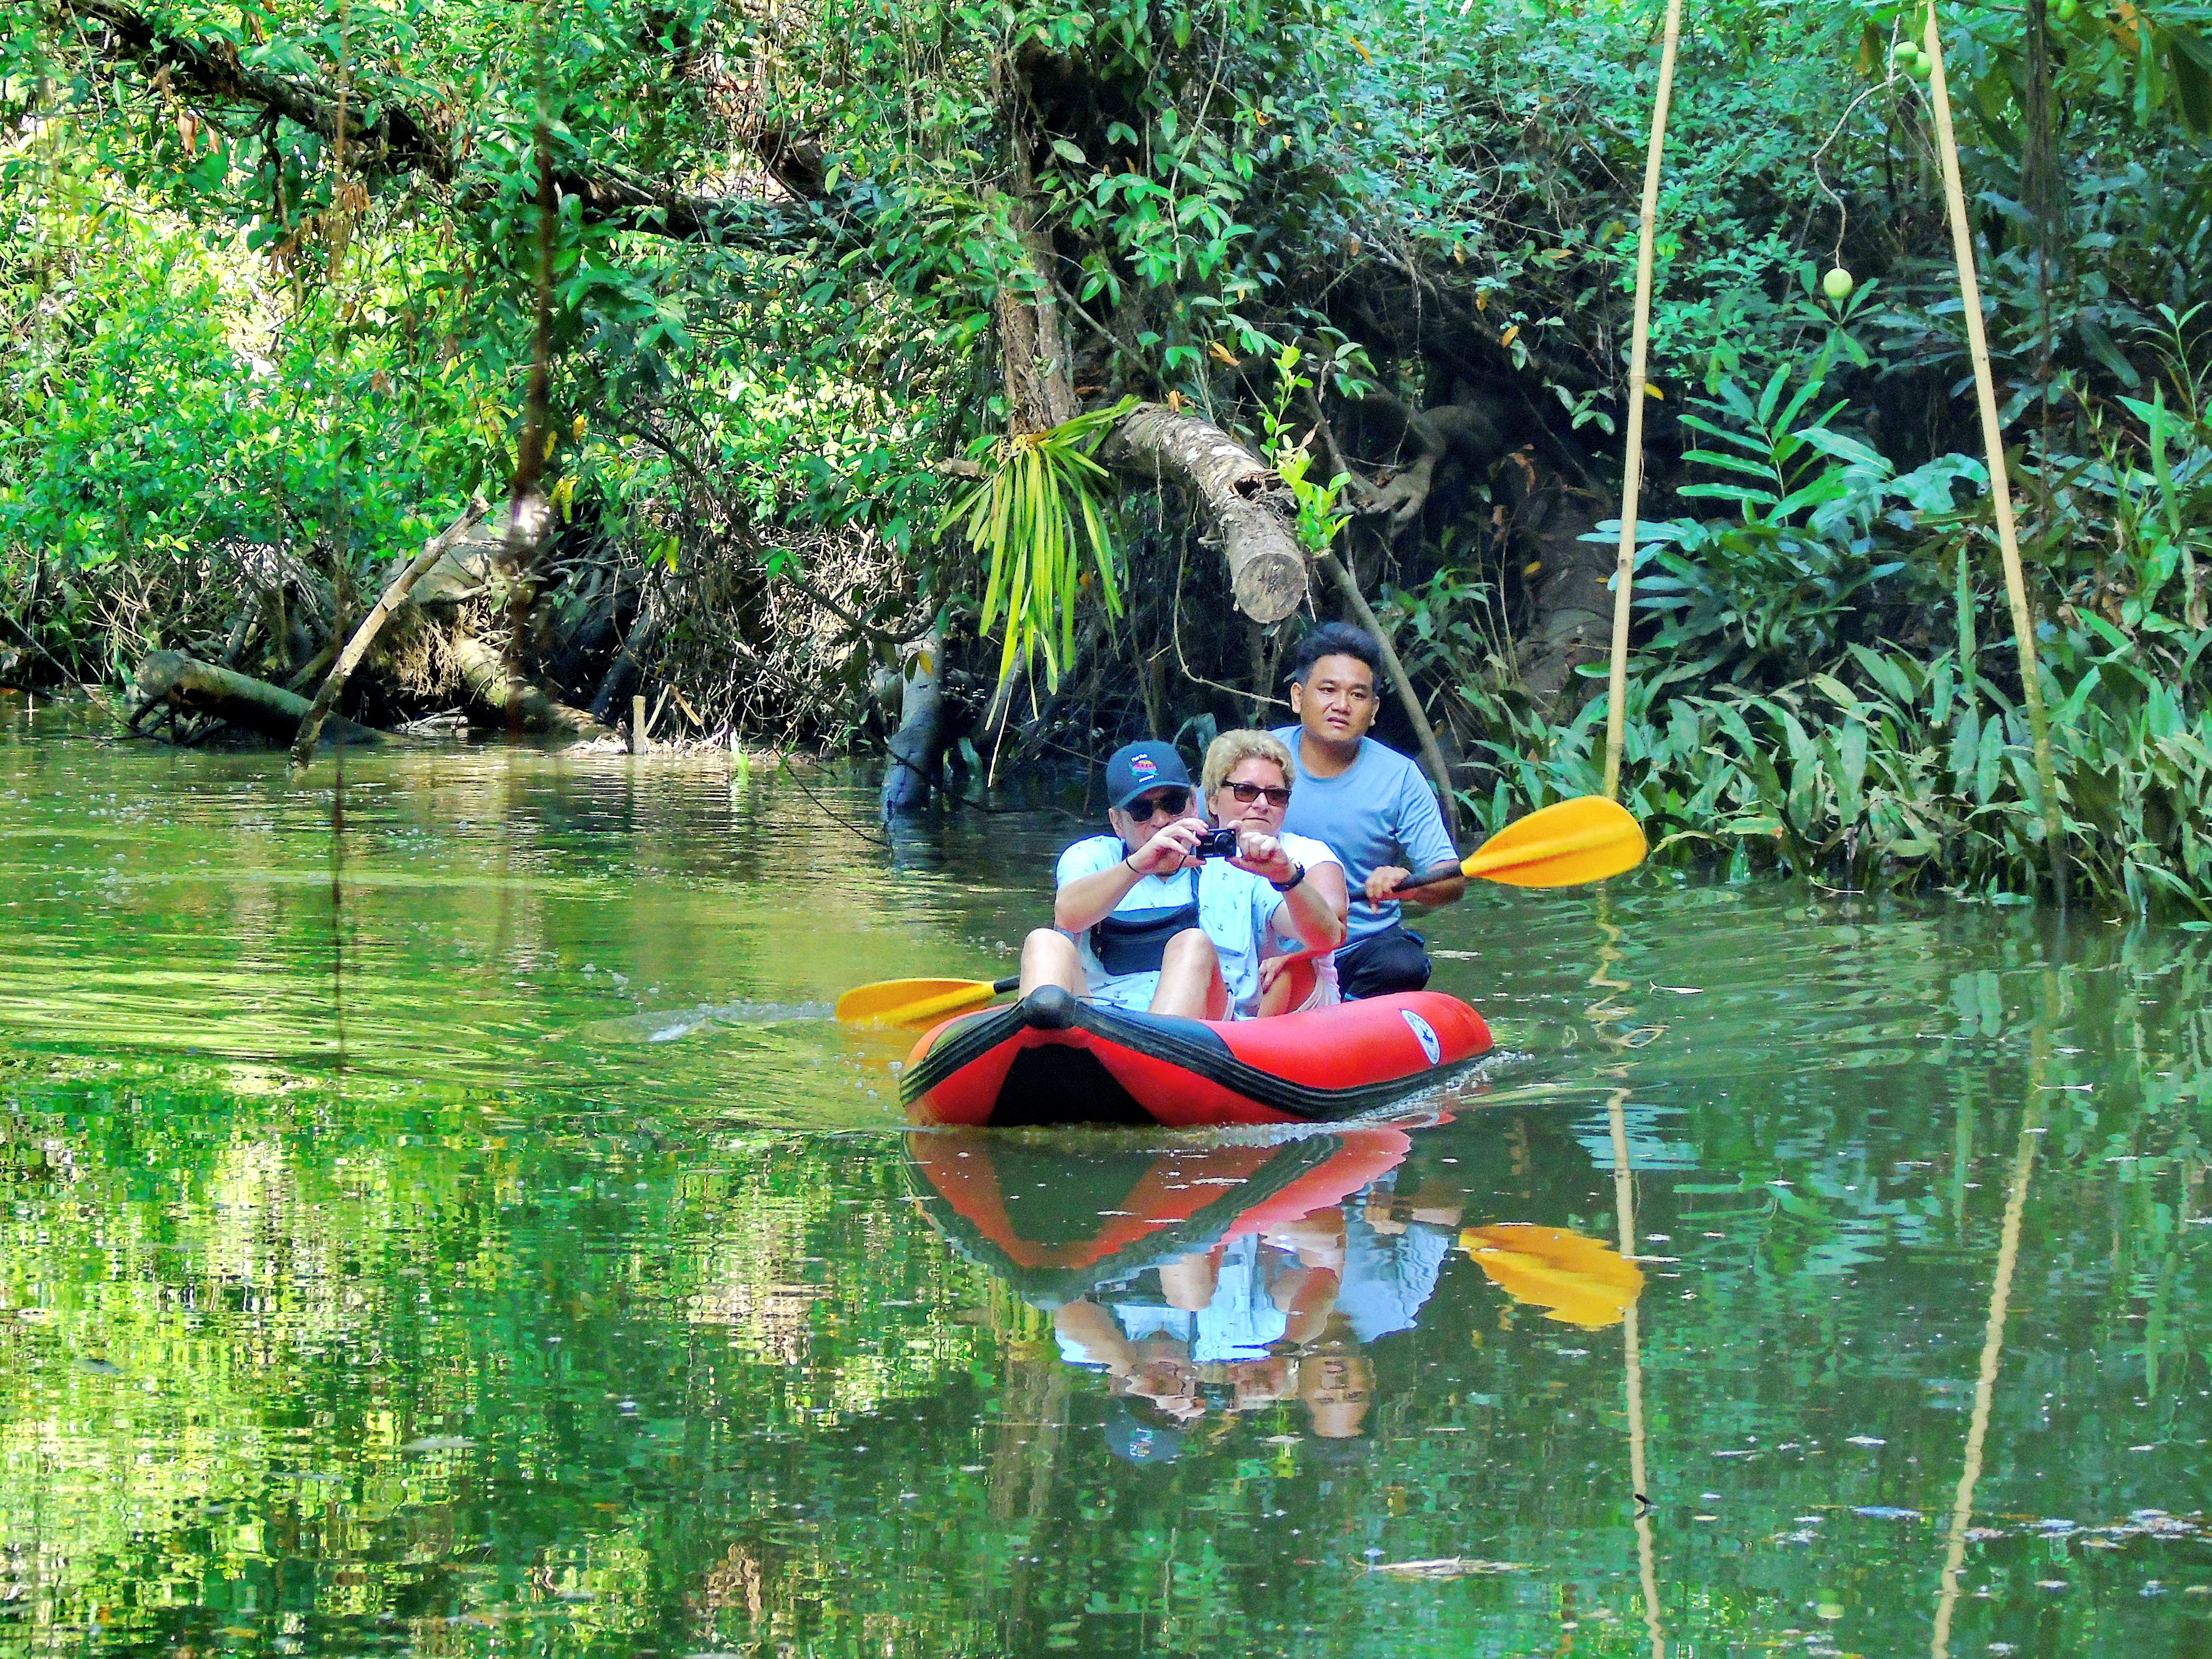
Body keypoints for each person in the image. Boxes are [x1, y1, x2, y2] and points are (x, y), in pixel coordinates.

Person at [1018, 740, 1344, 1020]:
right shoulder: (1092, 857)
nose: (1161, 821)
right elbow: (1069, 915)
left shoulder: (1236, 863)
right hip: (1105, 1019)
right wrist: (1138, 866)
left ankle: (1152, 1064)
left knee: (1192, 944)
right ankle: (1038, 1066)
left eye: (1173, 805)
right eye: (1142, 811)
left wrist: (1286, 877)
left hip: (1208, 1030)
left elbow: (1325, 938)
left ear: (1192, 805)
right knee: (1044, 942)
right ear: (1117, 822)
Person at [1272, 623, 1465, 999]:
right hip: (1274, 940)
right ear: (1298, 697)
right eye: (1327, 690)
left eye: (1358, 695)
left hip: (1359, 949)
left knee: (1403, 965)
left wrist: (1409, 886)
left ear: (1374, 710)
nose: (1341, 706)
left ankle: (1347, 1017)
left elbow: (1451, 880)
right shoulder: (1259, 757)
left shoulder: (1400, 777)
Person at [1199, 729, 1351, 1016]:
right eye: (1245, 791)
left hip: (1297, 995)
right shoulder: (1190, 857)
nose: (1261, 804)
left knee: (1286, 971)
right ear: (1213, 801)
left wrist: (1287, 877)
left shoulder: (1311, 854)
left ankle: (1250, 1049)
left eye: (1276, 795)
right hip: (1221, 992)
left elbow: (1334, 931)